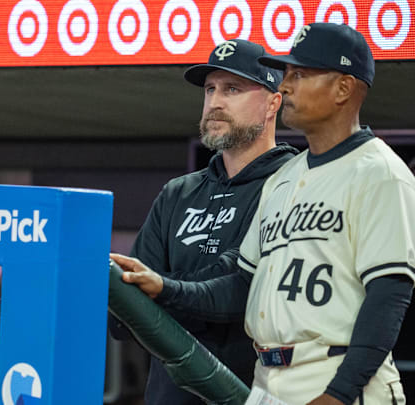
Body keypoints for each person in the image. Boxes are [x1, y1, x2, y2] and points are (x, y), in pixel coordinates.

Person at [111, 22, 415, 405]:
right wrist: (166, 288)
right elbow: (243, 286)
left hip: (334, 375)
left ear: (343, 87)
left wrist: (339, 394)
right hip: (270, 381)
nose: (287, 85)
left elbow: (388, 300)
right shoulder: (286, 180)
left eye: (300, 75)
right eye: (210, 89)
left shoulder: (382, 174)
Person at [110, 39, 298, 405]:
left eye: (233, 89)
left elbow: (244, 296)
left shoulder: (293, 184)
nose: (215, 102)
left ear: (273, 102)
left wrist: (163, 288)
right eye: (210, 89)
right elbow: (123, 316)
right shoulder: (178, 193)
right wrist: (160, 292)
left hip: (252, 394)